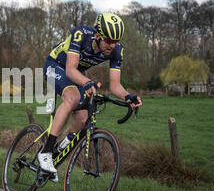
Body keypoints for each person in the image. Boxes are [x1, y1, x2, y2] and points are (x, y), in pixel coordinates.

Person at [41, 13, 142, 180]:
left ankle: (55, 153)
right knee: (72, 98)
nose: (112, 45)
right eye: (109, 40)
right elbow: (70, 70)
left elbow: (115, 85)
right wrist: (88, 82)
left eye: (116, 41)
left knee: (82, 118)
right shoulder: (81, 34)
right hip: (56, 65)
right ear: (97, 35)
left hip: (76, 73)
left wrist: (128, 96)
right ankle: (45, 152)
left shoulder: (117, 50)